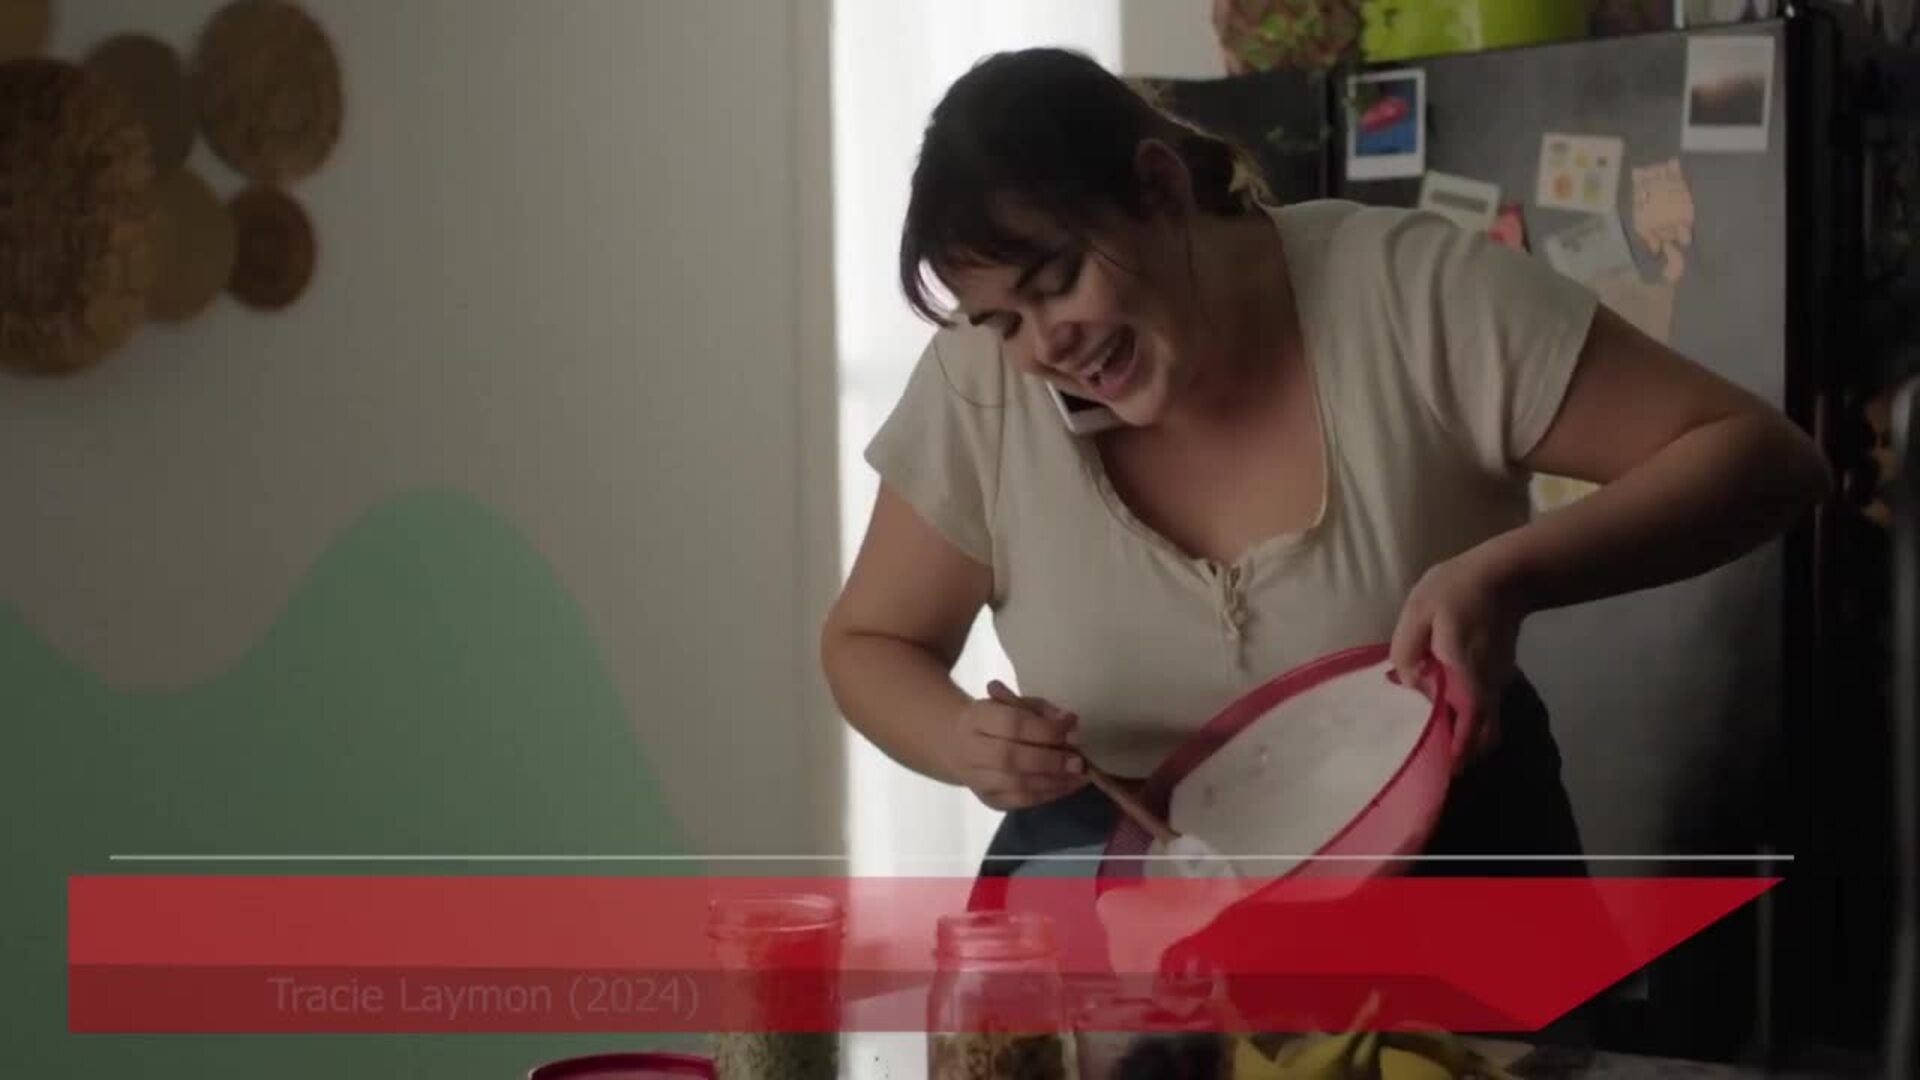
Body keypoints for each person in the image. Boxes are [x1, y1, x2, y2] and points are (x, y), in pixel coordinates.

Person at [819, 47, 1831, 885]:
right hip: (1122, 916)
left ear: (1160, 189)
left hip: (1447, 879)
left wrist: (1511, 573)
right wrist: (961, 739)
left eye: (1059, 281)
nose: (1045, 346)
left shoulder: (1412, 296)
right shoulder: (981, 390)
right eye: (1002, 322)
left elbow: (1764, 460)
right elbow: (869, 642)